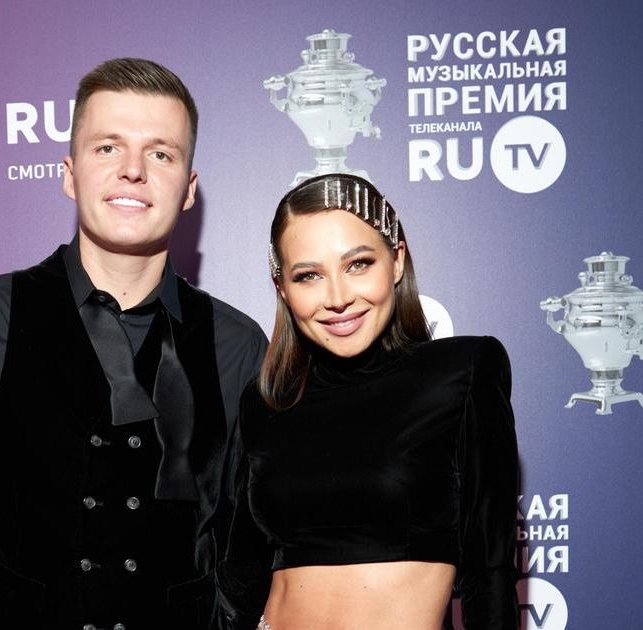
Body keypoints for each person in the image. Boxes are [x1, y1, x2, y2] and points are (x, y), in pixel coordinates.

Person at [0, 58, 267, 629]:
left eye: (161, 154)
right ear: (69, 172)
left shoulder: (236, 344)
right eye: (108, 147)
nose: (132, 170)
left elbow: (250, 548)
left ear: (188, 189)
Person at [217, 173, 519, 630]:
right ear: (282, 288)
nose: (338, 298)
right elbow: (241, 578)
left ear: (397, 261)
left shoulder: (462, 372)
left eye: (358, 264)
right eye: (308, 276)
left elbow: (489, 571)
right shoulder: (266, 402)